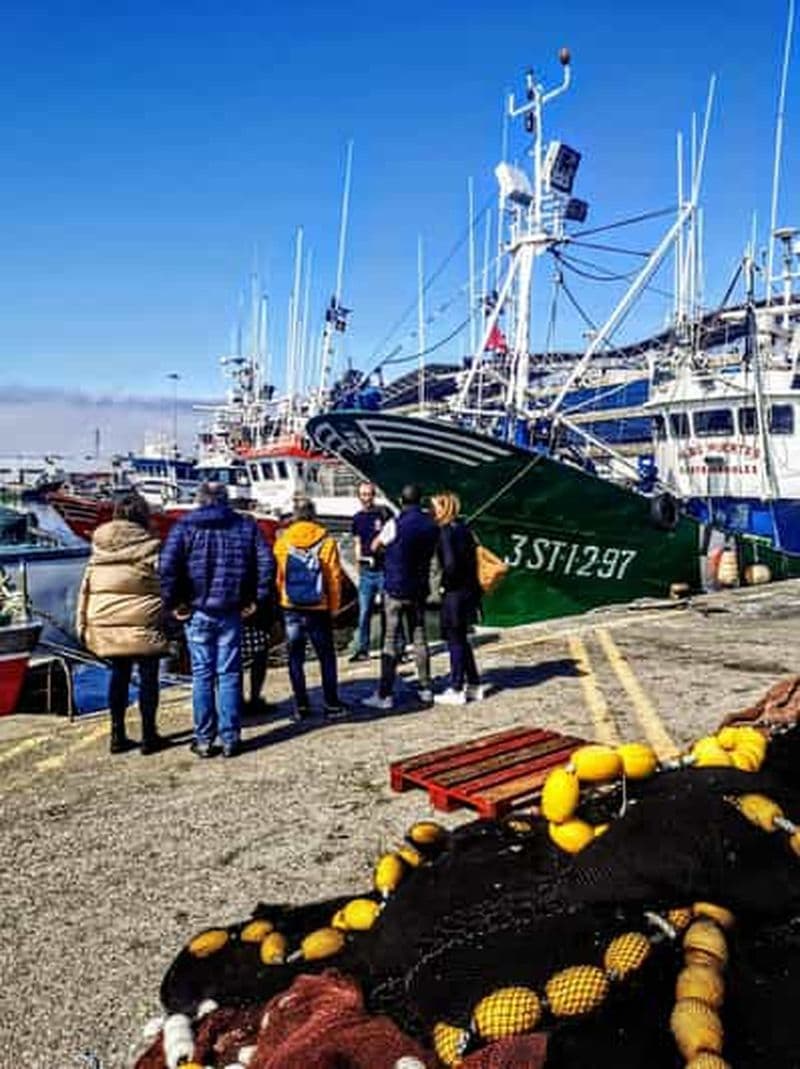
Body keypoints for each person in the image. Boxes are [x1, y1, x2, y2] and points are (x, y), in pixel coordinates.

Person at [160, 482, 275, 758]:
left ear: (200, 500)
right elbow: (267, 563)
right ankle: (231, 738)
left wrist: (174, 603)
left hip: (197, 610)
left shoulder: (184, 526)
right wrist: (256, 599)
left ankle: (203, 739)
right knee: (229, 673)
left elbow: (166, 567)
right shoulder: (244, 525)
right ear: (225, 499)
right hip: (231, 609)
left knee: (202, 674)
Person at [76, 492, 169, 755]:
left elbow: (86, 586)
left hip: (105, 620)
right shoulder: (152, 546)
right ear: (143, 516)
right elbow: (164, 583)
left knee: (119, 675)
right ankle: (149, 735)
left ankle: (117, 734)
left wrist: (82, 623)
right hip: (143, 620)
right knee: (149, 677)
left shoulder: (99, 546)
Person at [363, 483, 439, 710]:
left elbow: (374, 546)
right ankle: (426, 688)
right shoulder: (430, 525)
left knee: (390, 640)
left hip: (396, 588)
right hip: (419, 589)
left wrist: (388, 552)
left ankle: (385, 694)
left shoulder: (394, 524)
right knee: (419, 637)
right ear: (420, 500)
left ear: (401, 500)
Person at [273, 497, 345, 720]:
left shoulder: (283, 541)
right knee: (326, 656)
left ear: (294, 515)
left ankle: (301, 705)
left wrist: (283, 598)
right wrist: (334, 607)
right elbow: (334, 578)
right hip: (319, 605)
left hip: (292, 605)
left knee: (295, 657)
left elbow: (279, 577)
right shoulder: (327, 541)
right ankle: (331, 703)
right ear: (314, 514)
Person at [430, 491, 485, 705]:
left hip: (453, 593)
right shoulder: (465, 529)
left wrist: (443, 585)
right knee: (463, 639)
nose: (432, 511)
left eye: (435, 507)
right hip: (469, 590)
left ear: (443, 508)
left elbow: (450, 564)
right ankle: (474, 683)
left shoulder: (445, 532)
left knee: (454, 640)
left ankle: (456, 687)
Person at [349, 481, 393, 663]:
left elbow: (392, 535)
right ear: (359, 497)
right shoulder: (357, 518)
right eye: (363, 495)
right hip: (367, 570)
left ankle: (392, 647)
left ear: (373, 495)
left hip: (383, 568)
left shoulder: (382, 513)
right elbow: (357, 542)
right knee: (364, 611)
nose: (366, 498)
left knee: (389, 610)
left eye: (369, 494)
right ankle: (362, 649)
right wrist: (358, 564)